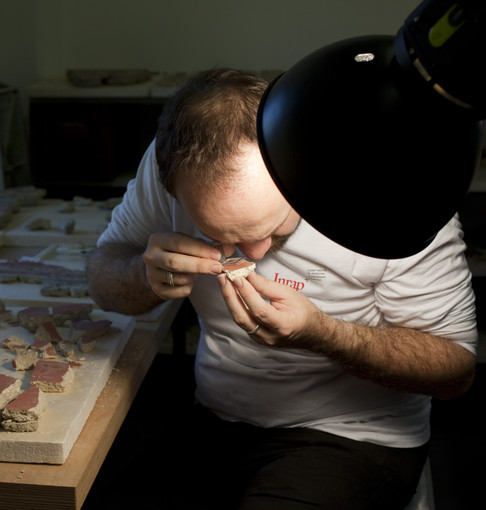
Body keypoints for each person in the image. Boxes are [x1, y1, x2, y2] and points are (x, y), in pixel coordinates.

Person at [86, 69, 477, 509]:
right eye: (221, 234)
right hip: (215, 416)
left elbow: (456, 372)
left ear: (297, 161)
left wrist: (324, 334)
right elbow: (102, 279)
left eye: (270, 229)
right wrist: (146, 278)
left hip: (353, 433)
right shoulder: (169, 162)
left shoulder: (394, 193)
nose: (251, 253)